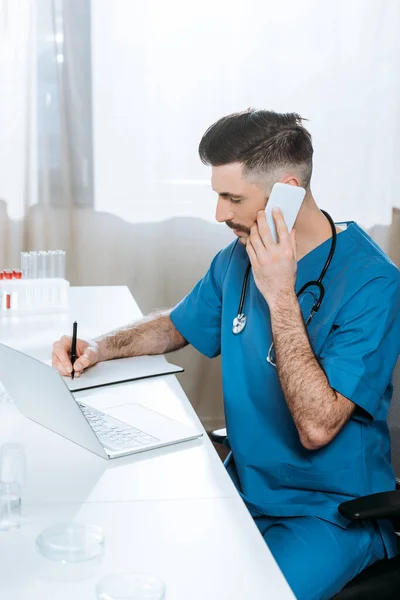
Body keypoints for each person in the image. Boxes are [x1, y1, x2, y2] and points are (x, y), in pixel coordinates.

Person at [52, 109, 400, 600]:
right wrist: (99, 346)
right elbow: (176, 326)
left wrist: (280, 293)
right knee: (136, 564)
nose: (219, 214)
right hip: (242, 489)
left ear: (288, 189)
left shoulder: (374, 283)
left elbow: (318, 427)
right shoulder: (236, 258)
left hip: (330, 513)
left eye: (232, 198)